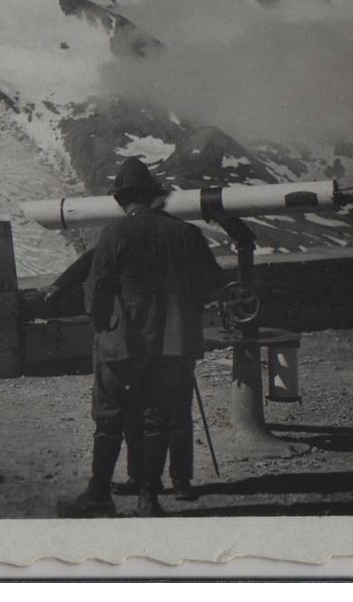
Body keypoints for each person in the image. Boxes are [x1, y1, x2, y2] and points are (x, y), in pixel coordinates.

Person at [58, 157, 222, 518]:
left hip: (123, 346)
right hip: (173, 346)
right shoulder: (184, 233)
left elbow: (96, 292)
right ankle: (149, 497)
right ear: (152, 197)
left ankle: (99, 493)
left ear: (121, 200)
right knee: (156, 420)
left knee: (110, 418)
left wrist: (103, 329)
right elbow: (210, 287)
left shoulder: (115, 234)